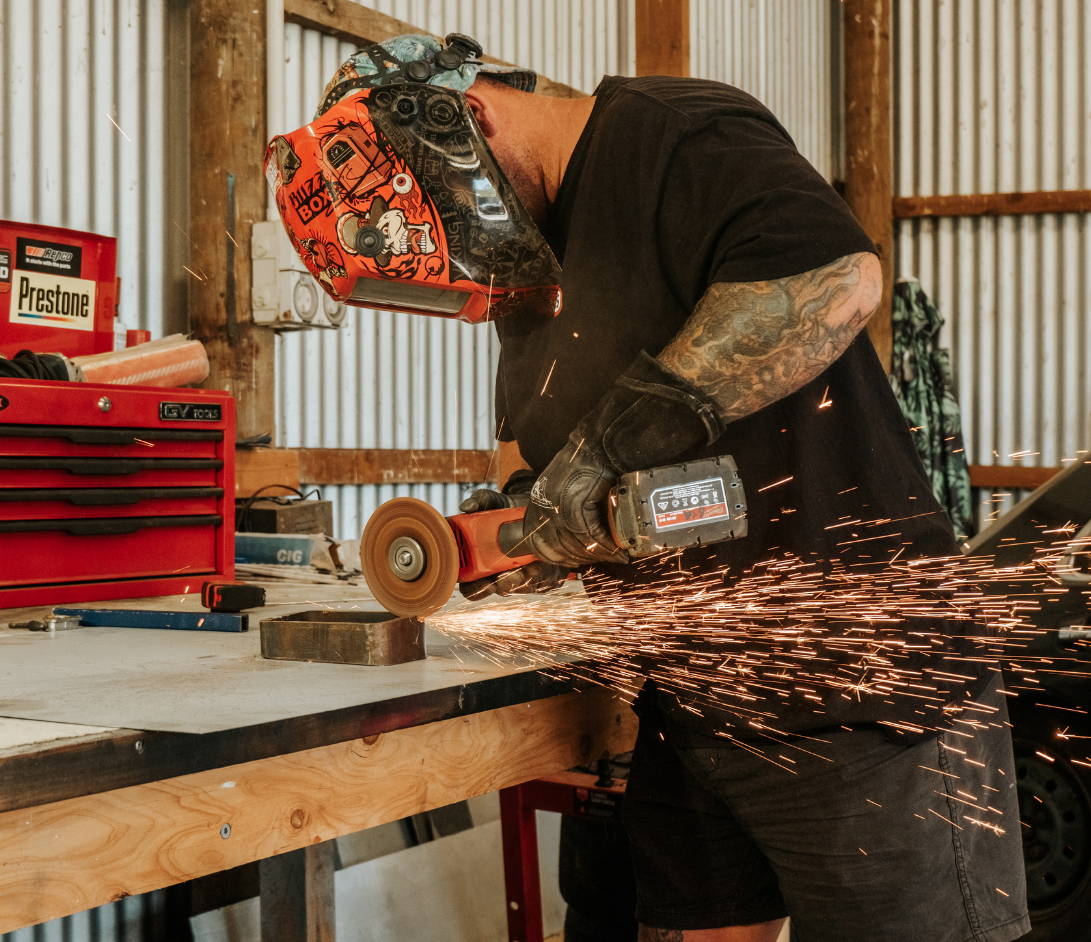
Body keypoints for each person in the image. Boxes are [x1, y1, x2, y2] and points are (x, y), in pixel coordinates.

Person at [271, 34, 1030, 942]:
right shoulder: (526, 276)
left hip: (863, 699)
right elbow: (531, 471)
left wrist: (614, 446)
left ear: (462, 123)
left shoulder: (673, 132)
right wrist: (506, 545)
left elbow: (834, 281)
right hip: (693, 709)